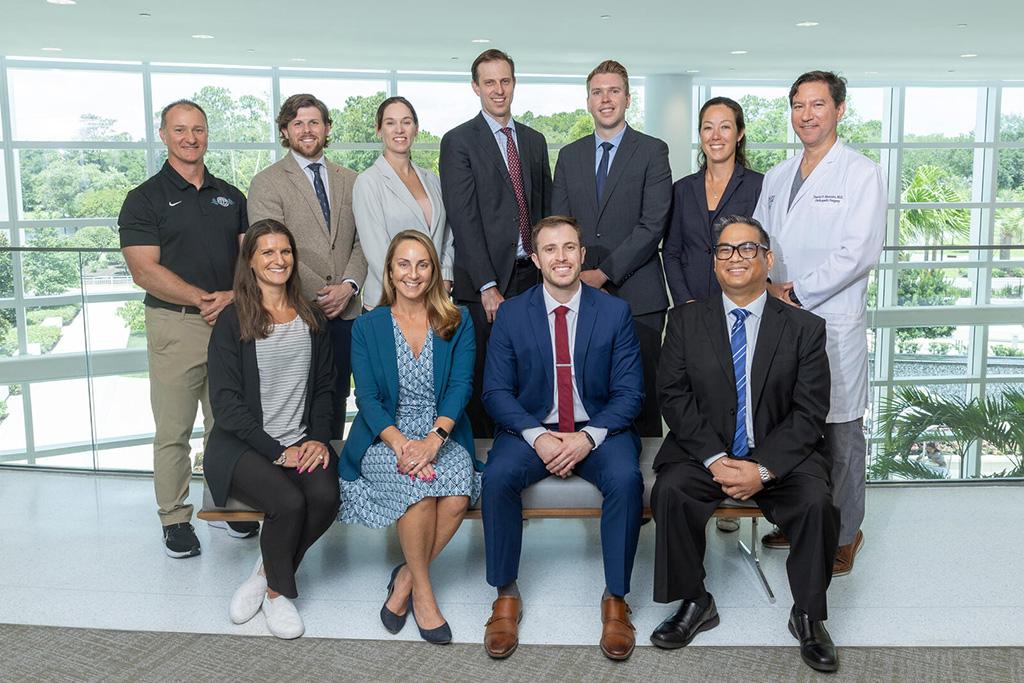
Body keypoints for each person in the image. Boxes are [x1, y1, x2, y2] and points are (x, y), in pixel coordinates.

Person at [649, 216, 840, 673]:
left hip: (779, 455)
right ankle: (695, 602)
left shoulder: (805, 328)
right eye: (725, 251)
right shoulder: (684, 322)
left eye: (747, 249)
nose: (736, 258)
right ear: (714, 263)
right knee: (671, 490)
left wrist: (764, 469)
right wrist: (716, 459)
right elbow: (673, 398)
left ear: (768, 259)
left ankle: (808, 614)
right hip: (705, 451)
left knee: (816, 500)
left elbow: (809, 412)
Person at [480, 216, 644, 661]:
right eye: (550, 250)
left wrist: (587, 438)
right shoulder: (513, 313)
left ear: (582, 254)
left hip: (599, 429)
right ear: (535, 259)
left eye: (569, 247)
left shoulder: (614, 312)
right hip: (533, 429)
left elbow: (631, 393)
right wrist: (539, 437)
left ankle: (616, 598)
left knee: (627, 480)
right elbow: (495, 392)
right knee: (496, 477)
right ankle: (505, 594)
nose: (561, 258)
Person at [753, 71, 885, 575]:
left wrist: (797, 292)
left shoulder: (860, 173)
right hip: (780, 315)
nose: (807, 115)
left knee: (842, 432)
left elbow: (859, 251)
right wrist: (768, 286)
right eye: (798, 106)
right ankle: (798, 516)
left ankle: (847, 532)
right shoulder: (778, 175)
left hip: (830, 319)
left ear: (839, 110)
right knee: (793, 426)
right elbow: (762, 238)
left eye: (818, 105)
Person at [118, 99, 257, 558]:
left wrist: (234, 297)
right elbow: (144, 270)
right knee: (174, 428)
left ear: (207, 134)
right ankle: (174, 518)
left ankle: (224, 508)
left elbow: (249, 260)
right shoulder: (144, 198)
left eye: (198, 129)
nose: (190, 137)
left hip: (230, 322)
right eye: (180, 130)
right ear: (163, 135)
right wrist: (201, 298)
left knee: (228, 426)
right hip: (176, 325)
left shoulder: (230, 195)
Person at [339, 230, 481, 645]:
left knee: (456, 493)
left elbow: (460, 386)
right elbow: (365, 396)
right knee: (418, 489)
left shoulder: (457, 320)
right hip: (385, 436)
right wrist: (402, 444)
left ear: (435, 271)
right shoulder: (367, 325)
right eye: (404, 264)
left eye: (423, 264)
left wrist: (434, 440)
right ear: (389, 270)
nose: (413, 274)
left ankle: (403, 581)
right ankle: (423, 594)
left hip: (442, 431)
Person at [205, 220, 339, 640]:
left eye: (285, 251)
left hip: (303, 439)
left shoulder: (312, 318)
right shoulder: (233, 320)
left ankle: (265, 574)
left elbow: (325, 389)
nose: (278, 260)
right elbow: (226, 404)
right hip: (243, 445)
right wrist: (278, 452)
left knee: (326, 497)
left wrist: (316, 438)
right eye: (267, 252)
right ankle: (282, 596)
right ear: (251, 261)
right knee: (288, 501)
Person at [552, 59, 672, 438]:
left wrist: (603, 273)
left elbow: (653, 225)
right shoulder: (570, 155)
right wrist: (577, 273)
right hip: (579, 294)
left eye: (614, 91)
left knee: (642, 394)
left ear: (628, 98)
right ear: (588, 101)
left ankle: (650, 489)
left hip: (639, 295)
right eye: (598, 92)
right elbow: (559, 225)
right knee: (591, 391)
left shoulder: (653, 151)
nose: (606, 99)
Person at [663, 96, 764, 534]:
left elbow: (760, 246)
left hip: (741, 305)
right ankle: (708, 477)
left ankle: (739, 481)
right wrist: (685, 303)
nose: (716, 135)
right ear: (700, 135)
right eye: (708, 127)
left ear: (739, 134)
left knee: (737, 392)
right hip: (694, 309)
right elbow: (673, 250)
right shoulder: (683, 188)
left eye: (725, 127)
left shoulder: (760, 185)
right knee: (700, 394)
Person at [440, 48, 552, 438]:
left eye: (505, 81)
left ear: (514, 83)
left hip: (532, 278)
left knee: (532, 370)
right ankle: (486, 461)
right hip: (485, 285)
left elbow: (544, 211)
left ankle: (532, 446)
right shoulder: (458, 142)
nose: (498, 89)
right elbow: (463, 217)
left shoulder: (535, 141)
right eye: (489, 82)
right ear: (476, 87)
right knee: (487, 377)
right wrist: (487, 284)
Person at [247, 93, 367, 439]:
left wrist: (347, 286)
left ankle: (331, 476)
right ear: (285, 131)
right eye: (297, 123)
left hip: (347, 312)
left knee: (337, 398)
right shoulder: (267, 182)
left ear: (327, 128)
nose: (307, 130)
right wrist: (321, 293)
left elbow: (363, 240)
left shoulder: (351, 180)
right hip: (296, 312)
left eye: (314, 122)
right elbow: (272, 252)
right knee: (298, 398)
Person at [354, 96, 454, 309]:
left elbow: (446, 235)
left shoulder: (432, 179)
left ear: (416, 129)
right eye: (390, 123)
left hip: (433, 299)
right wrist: (412, 290)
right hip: (389, 302)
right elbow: (377, 252)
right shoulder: (368, 182)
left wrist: (444, 277)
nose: (399, 129)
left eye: (406, 122)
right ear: (379, 130)